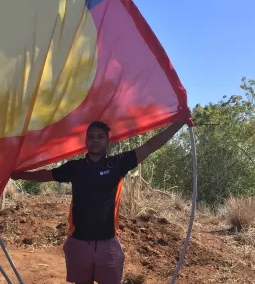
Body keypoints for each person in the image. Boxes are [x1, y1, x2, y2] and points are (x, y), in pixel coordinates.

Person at [11, 120, 186, 284]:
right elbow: (46, 175)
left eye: (100, 136)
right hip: (79, 242)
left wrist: (179, 124)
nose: (95, 140)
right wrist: (19, 175)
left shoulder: (117, 163)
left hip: (108, 243)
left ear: (107, 140)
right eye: (91, 136)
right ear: (86, 140)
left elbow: (149, 146)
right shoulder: (75, 167)